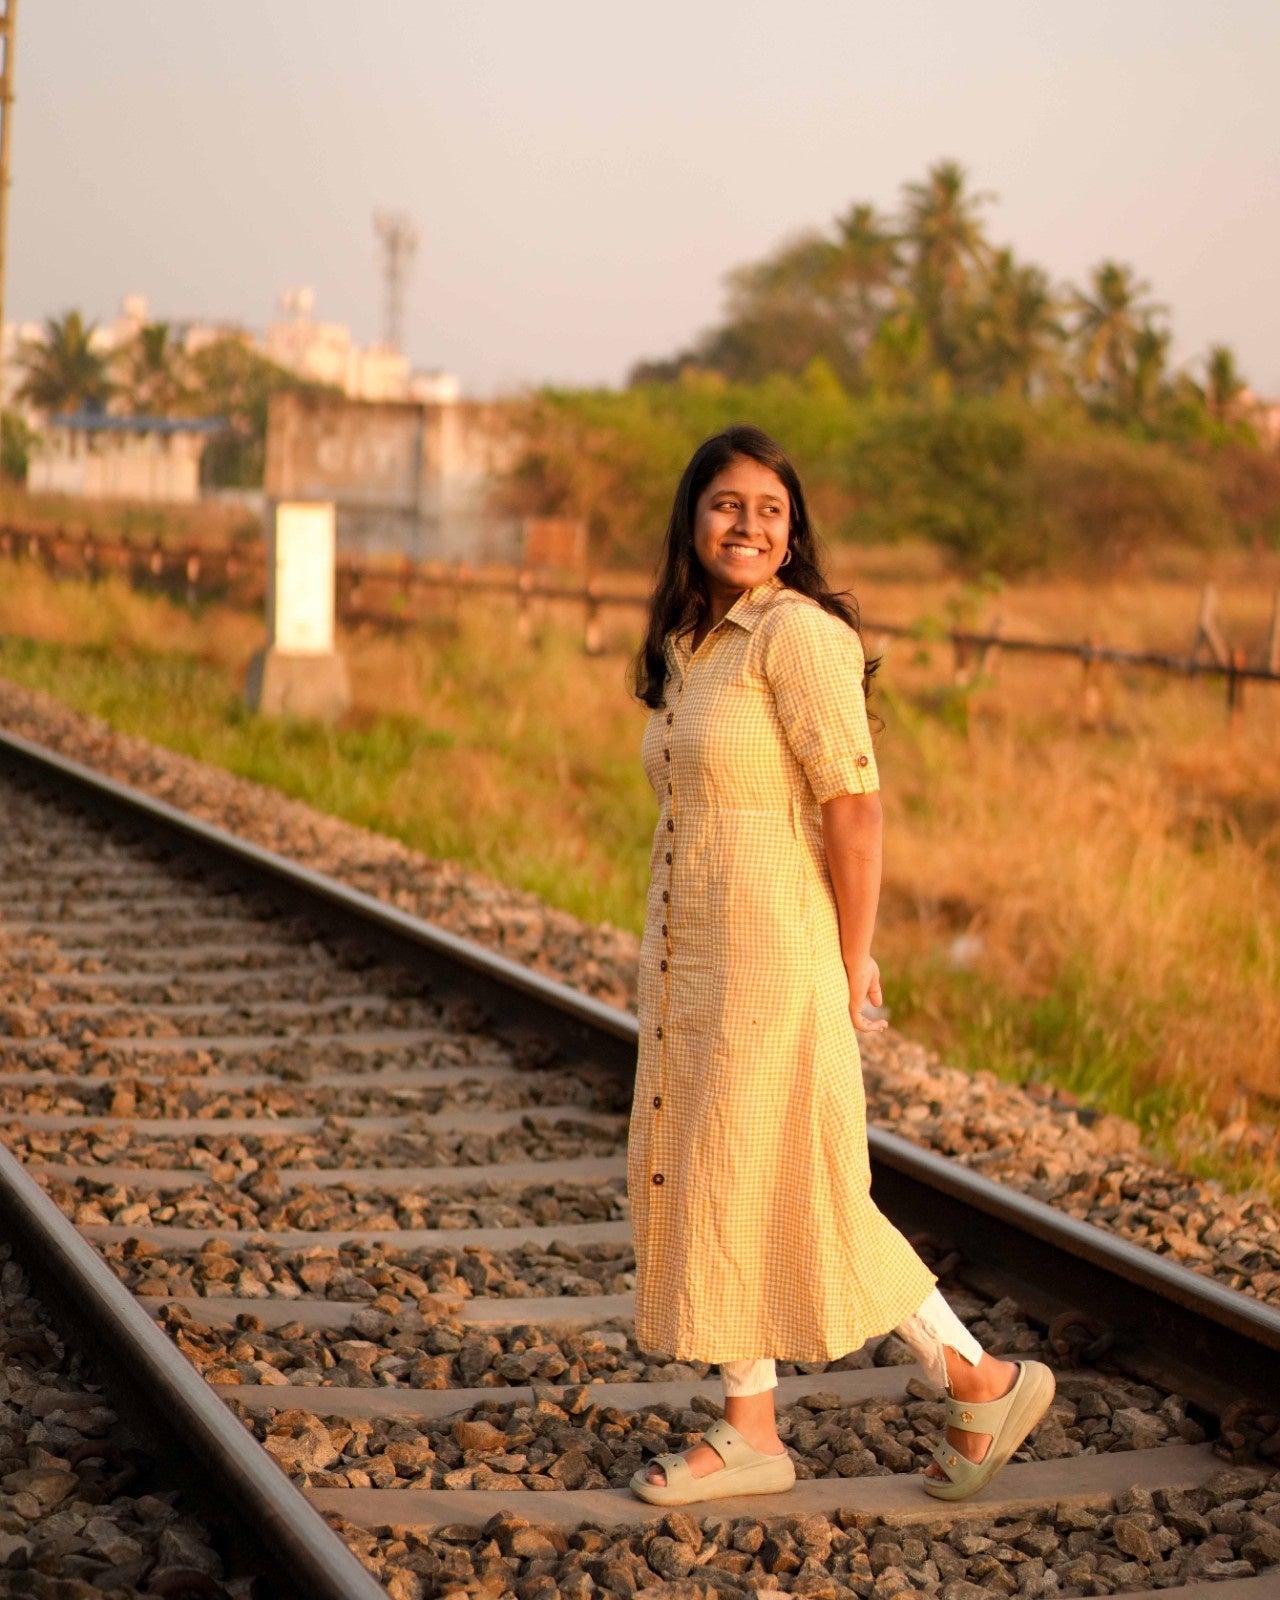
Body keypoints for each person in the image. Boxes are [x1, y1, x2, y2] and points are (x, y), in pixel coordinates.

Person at [626, 424, 1054, 1507]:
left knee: (801, 1183)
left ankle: (977, 1376)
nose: (748, 525)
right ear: (691, 517)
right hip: (693, 959)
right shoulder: (692, 644)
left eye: (770, 509)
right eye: (727, 504)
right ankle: (750, 1431)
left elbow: (853, 809)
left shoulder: (798, 638)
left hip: (774, 960)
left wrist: (852, 958)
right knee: (722, 1178)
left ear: (793, 530)